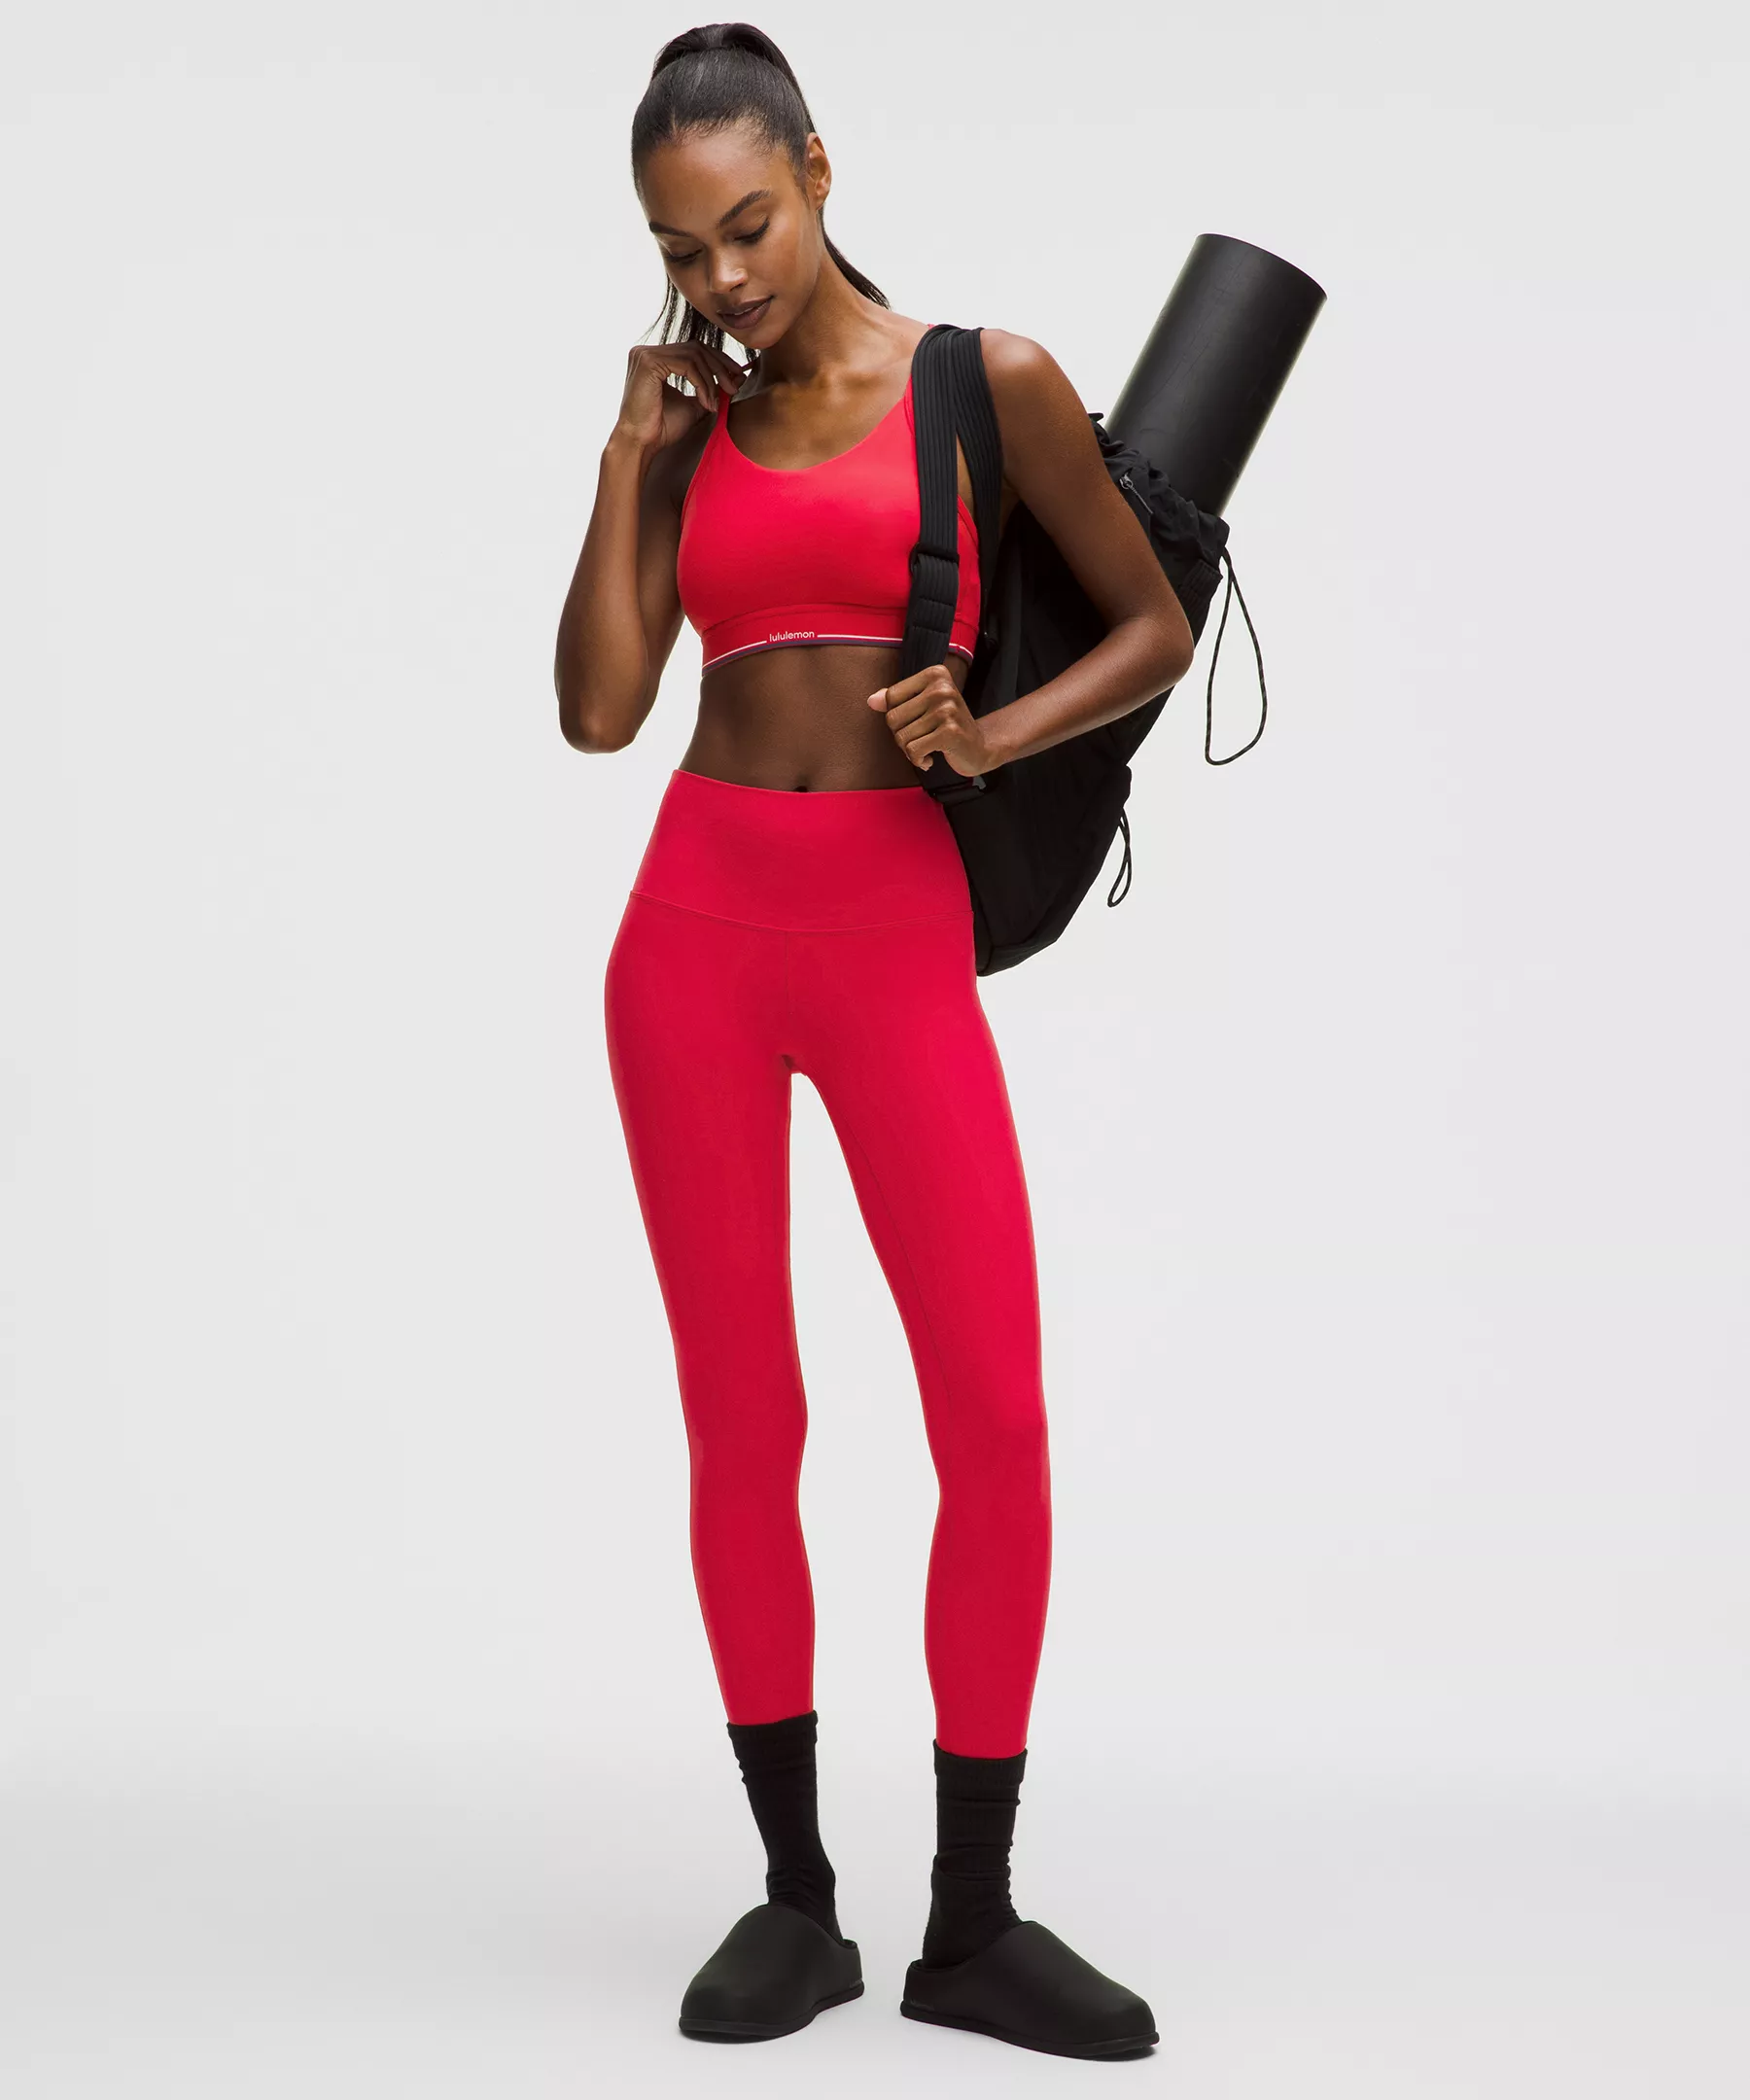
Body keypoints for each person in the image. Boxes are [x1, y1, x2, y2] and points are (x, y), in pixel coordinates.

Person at [553, 20, 1195, 2061]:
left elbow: (1153, 624)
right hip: (693, 941)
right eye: (683, 249)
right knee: (746, 1424)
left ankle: (972, 1920)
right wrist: (628, 458)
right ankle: (799, 1902)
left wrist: (989, 735)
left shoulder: (983, 381)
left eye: (747, 225)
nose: (724, 276)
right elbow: (598, 712)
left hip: (892, 928)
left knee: (992, 1418)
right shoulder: (693, 426)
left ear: (819, 172)